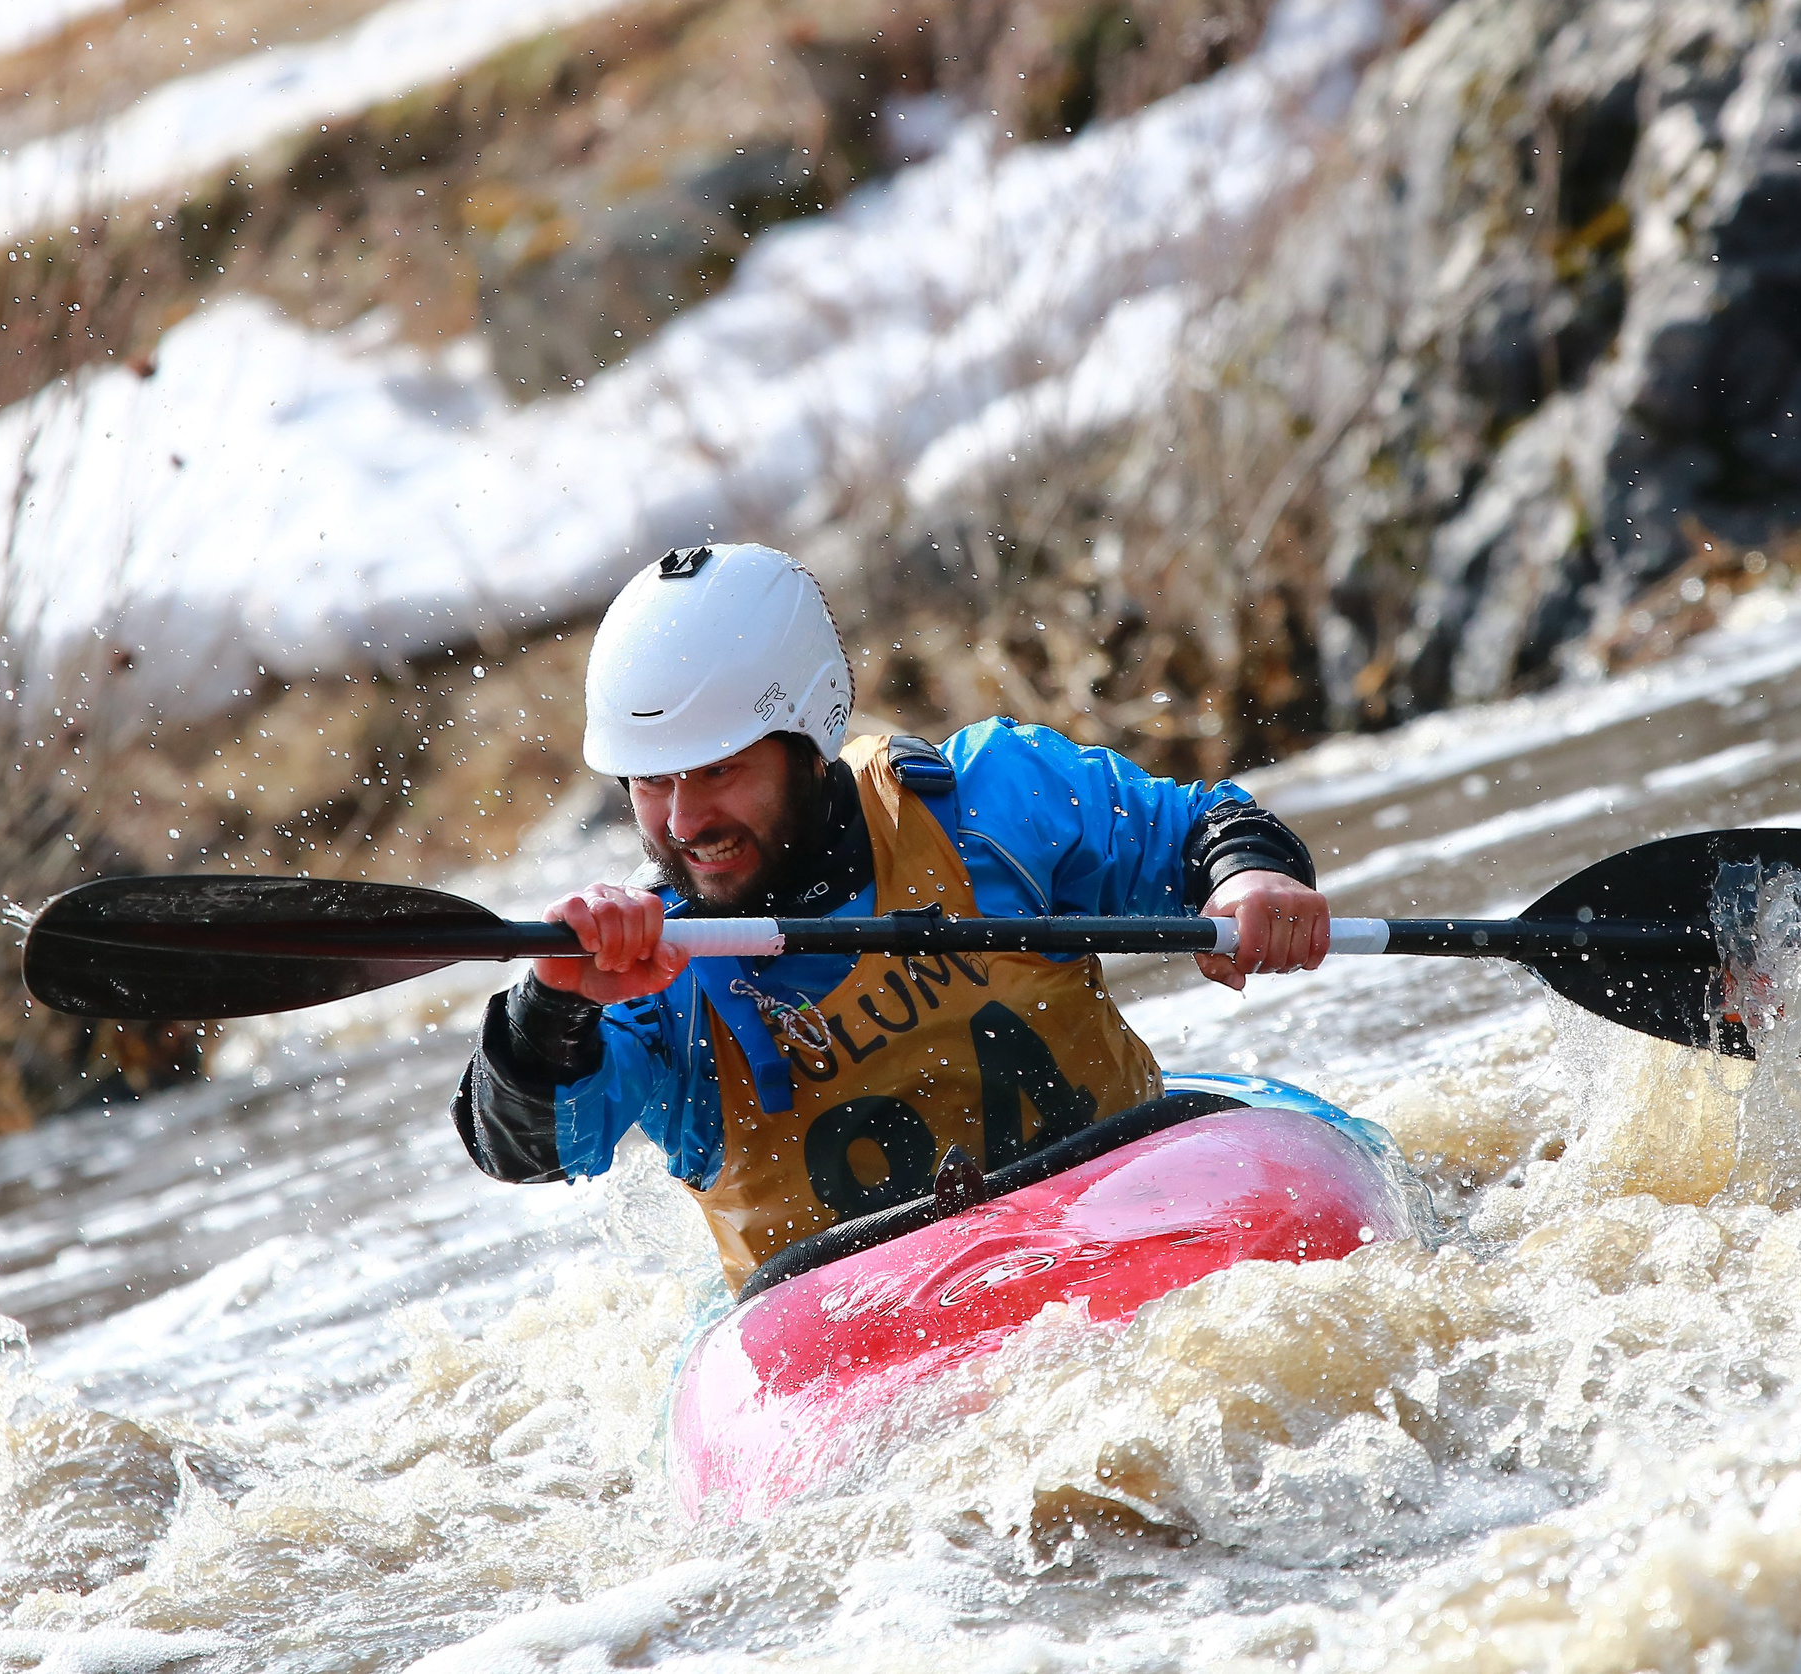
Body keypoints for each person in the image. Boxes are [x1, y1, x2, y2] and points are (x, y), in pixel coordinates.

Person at [454, 543, 1330, 1287]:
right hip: (855, 1339)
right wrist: (556, 1003)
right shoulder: (649, 974)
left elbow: (1198, 829)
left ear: (808, 734)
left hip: (1125, 1221)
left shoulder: (985, 804)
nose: (683, 823)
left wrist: (1246, 879)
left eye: (719, 770)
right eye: (652, 783)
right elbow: (525, 1148)